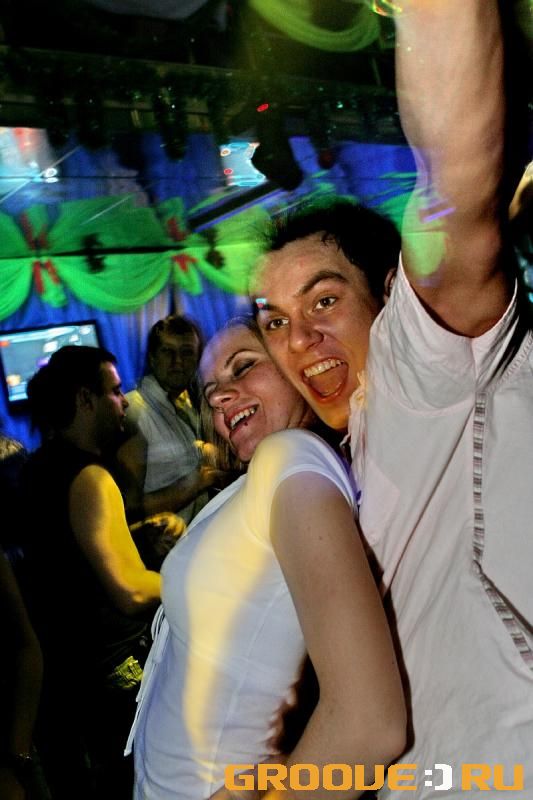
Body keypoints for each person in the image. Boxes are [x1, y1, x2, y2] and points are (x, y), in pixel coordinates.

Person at [251, 1, 533, 796]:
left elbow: (455, 196)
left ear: (390, 299)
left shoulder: (420, 377)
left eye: (324, 301)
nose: (298, 339)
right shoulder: (349, 462)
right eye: (273, 321)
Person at [127, 317, 406, 800]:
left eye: (243, 367)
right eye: (210, 390)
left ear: (297, 370)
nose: (219, 396)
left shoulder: (289, 456)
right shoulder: (264, 477)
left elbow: (369, 724)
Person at [21, 345, 163, 800]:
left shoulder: (38, 467)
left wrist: (137, 534)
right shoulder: (91, 477)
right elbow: (129, 591)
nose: (123, 403)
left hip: (66, 678)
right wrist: (193, 575)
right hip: (110, 678)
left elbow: (67, 552)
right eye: (115, 392)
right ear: (86, 399)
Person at [117, 314, 227, 525]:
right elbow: (129, 507)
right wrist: (197, 484)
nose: (178, 361)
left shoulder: (186, 402)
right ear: (152, 358)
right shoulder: (134, 411)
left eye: (187, 352)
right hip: (169, 543)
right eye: (168, 352)